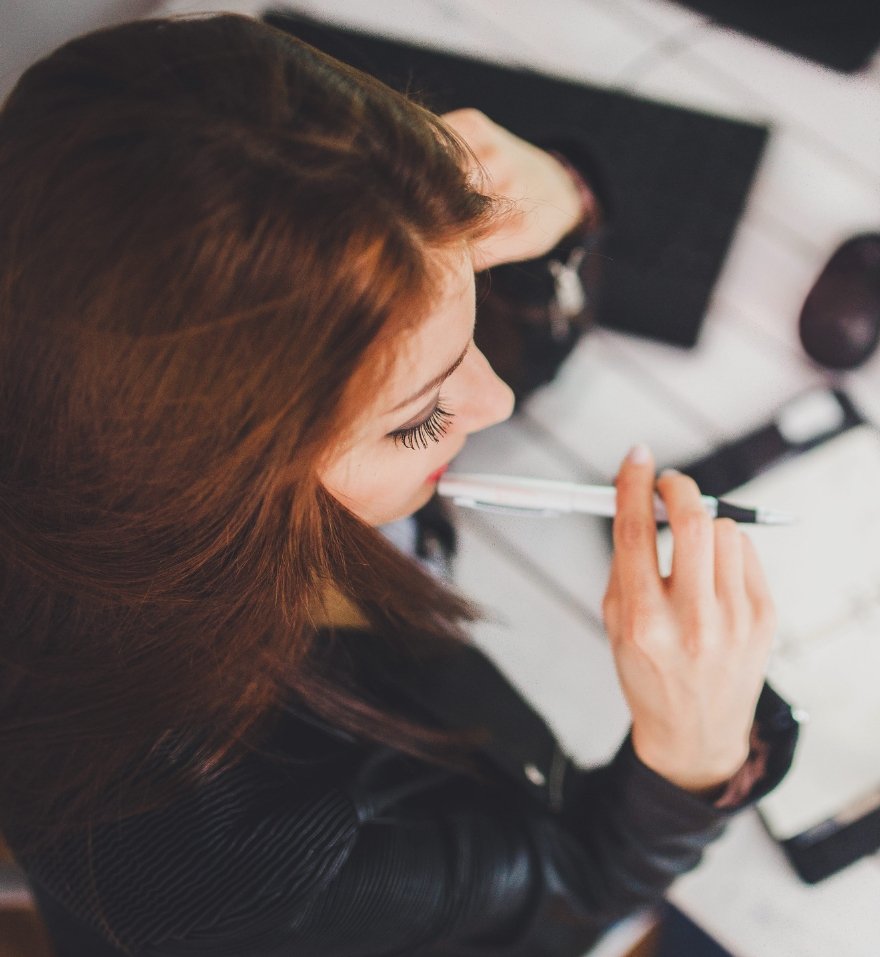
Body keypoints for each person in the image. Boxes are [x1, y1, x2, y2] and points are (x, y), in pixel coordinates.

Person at [0, 13, 799, 957]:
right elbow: (570, 900)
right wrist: (690, 758)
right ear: (214, 482)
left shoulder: (122, 344)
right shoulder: (200, 839)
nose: (494, 400)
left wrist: (560, 197)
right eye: (418, 417)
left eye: (470, 288)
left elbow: (450, 344)